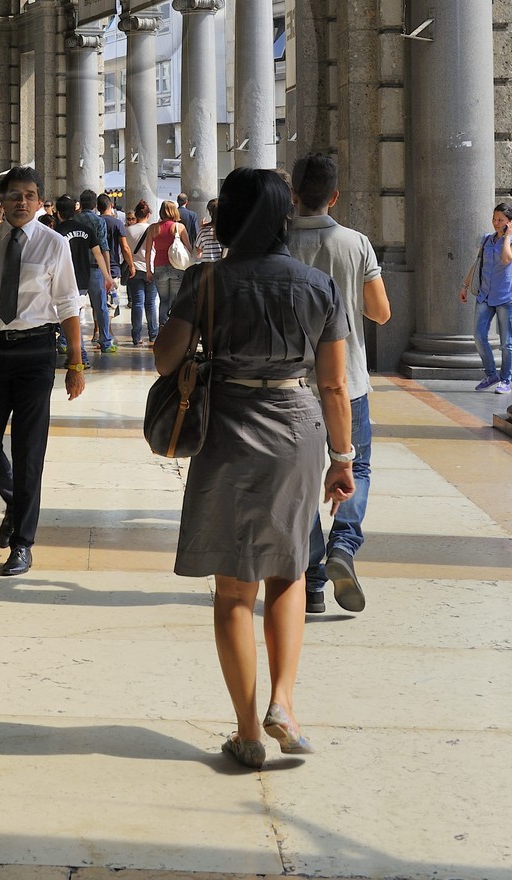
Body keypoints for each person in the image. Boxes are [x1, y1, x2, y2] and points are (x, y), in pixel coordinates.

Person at [154, 167, 353, 766]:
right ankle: (283, 704)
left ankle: (246, 732)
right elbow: (336, 384)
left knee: (232, 587)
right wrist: (343, 460)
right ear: (283, 217)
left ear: (228, 217)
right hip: (297, 428)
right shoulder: (317, 285)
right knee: (289, 569)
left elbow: (166, 361)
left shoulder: (206, 281)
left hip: (225, 430)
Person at [0, 166, 84, 576]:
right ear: (0, 200)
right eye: (14, 195)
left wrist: (75, 362)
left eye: (29, 195)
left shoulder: (54, 244)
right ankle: (15, 500)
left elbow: (67, 304)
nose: (21, 202)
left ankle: (23, 543)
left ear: (40, 201)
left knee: (29, 451)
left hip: (35, 353)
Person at [288, 154, 391, 615]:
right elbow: (381, 312)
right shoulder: (356, 243)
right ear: (334, 196)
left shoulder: (279, 242)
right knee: (358, 467)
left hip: (292, 387)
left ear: (293, 195)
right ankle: (344, 547)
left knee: (304, 483)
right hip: (348, 381)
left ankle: (311, 583)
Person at [459, 198, 512, 394]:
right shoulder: (486, 239)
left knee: (507, 341)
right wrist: (465, 285)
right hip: (485, 295)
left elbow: (506, 259)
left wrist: (507, 236)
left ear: (510, 222)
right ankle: (491, 374)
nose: (496, 223)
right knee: (479, 336)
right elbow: (478, 263)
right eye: (494, 219)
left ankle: (505, 379)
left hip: (506, 296)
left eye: (501, 220)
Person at [54, 193, 111, 369]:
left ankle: (82, 356)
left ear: (58, 213)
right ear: (74, 210)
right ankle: (78, 353)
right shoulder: (86, 231)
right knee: (74, 316)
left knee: (71, 319)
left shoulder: (57, 233)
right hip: (84, 279)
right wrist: (107, 276)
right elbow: (98, 253)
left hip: (65, 280)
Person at [78, 188, 115, 353]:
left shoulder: (74, 219)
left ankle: (66, 341)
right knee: (101, 307)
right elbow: (103, 248)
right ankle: (105, 341)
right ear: (94, 205)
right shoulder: (99, 222)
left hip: (77, 269)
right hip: (94, 268)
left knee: (74, 307)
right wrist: (107, 273)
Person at [144, 200, 187, 328]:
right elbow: (189, 248)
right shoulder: (179, 227)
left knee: (163, 300)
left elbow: (147, 251)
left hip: (159, 267)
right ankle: (174, 328)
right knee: (175, 299)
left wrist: (148, 270)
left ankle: (163, 327)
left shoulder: (153, 228)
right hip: (177, 267)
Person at [98, 192, 134, 341]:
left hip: (95, 266)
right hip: (112, 267)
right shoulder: (117, 223)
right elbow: (124, 247)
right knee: (111, 302)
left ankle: (97, 330)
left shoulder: (95, 221)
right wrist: (131, 265)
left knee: (97, 301)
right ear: (111, 206)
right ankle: (107, 331)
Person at [124, 200, 158, 346]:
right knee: (150, 304)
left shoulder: (128, 230)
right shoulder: (153, 229)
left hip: (134, 269)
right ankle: (153, 335)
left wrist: (131, 265)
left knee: (137, 303)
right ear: (148, 215)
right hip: (151, 268)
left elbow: (125, 250)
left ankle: (136, 336)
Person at [195, 198, 222, 262]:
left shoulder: (203, 230)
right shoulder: (227, 230)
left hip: (207, 267)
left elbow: (198, 248)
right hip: (223, 267)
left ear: (210, 212)